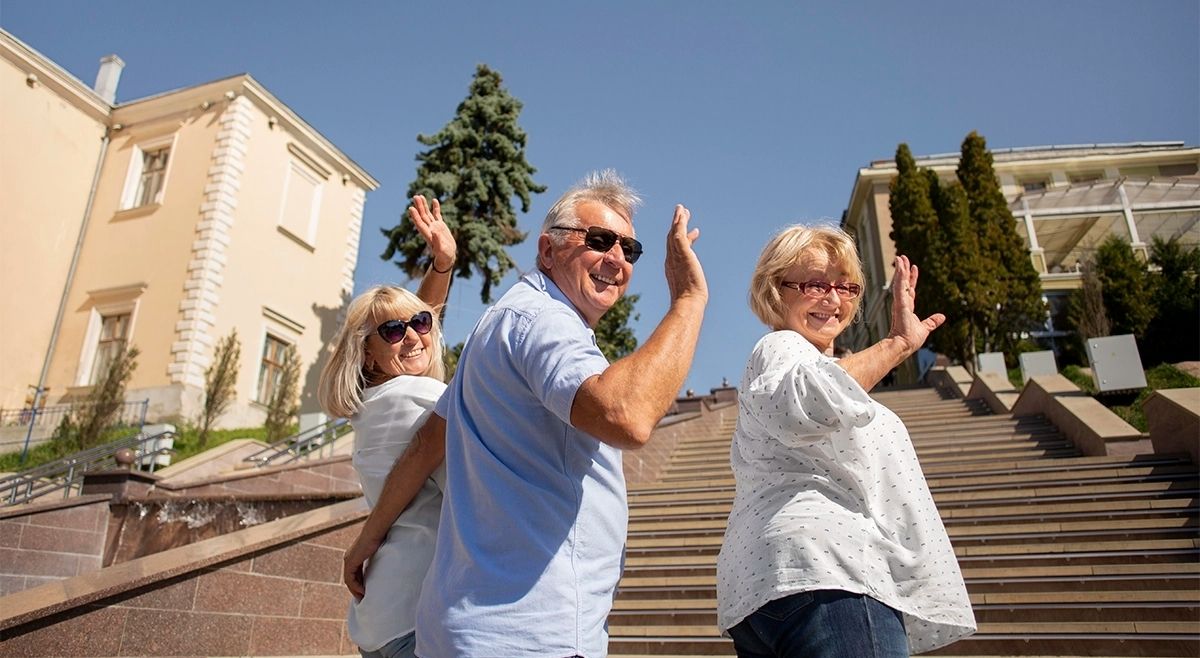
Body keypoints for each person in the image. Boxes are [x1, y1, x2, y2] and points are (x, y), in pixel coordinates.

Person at [341, 169, 708, 657]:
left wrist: (366, 539)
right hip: (530, 631)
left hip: (475, 628)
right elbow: (626, 414)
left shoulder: (505, 321)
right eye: (599, 240)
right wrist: (688, 300)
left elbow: (430, 442)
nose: (616, 258)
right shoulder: (544, 319)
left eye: (630, 249)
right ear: (548, 251)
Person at [716, 225, 975, 657]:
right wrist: (895, 345)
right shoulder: (781, 347)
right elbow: (809, 401)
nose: (833, 299)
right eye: (815, 283)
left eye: (846, 287)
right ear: (775, 291)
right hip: (829, 573)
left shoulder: (817, 364)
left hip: (770, 586)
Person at [317, 196, 456, 658]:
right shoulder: (415, 397)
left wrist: (442, 265)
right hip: (418, 614)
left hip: (384, 614)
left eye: (420, 322)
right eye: (394, 331)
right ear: (367, 354)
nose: (415, 334)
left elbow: (411, 334)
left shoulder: (378, 402)